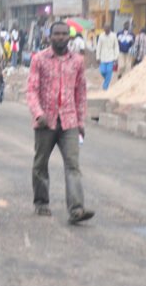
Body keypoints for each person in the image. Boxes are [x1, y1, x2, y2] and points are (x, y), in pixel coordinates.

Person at [25, 21, 95, 224]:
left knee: (73, 165)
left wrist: (81, 120)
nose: (61, 37)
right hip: (45, 122)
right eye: (57, 34)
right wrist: (38, 114)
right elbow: (31, 90)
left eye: (64, 34)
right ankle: (41, 202)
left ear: (70, 37)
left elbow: (80, 92)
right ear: (50, 36)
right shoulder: (39, 59)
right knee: (40, 164)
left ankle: (76, 209)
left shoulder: (78, 61)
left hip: (69, 120)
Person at [96, 24, 118, 90]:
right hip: (103, 57)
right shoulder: (101, 36)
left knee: (109, 71)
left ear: (109, 29)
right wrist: (98, 57)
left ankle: (105, 87)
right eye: (105, 28)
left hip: (111, 57)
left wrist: (116, 57)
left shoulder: (114, 36)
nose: (106, 30)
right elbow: (98, 47)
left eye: (107, 28)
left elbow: (116, 46)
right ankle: (107, 80)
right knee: (102, 71)